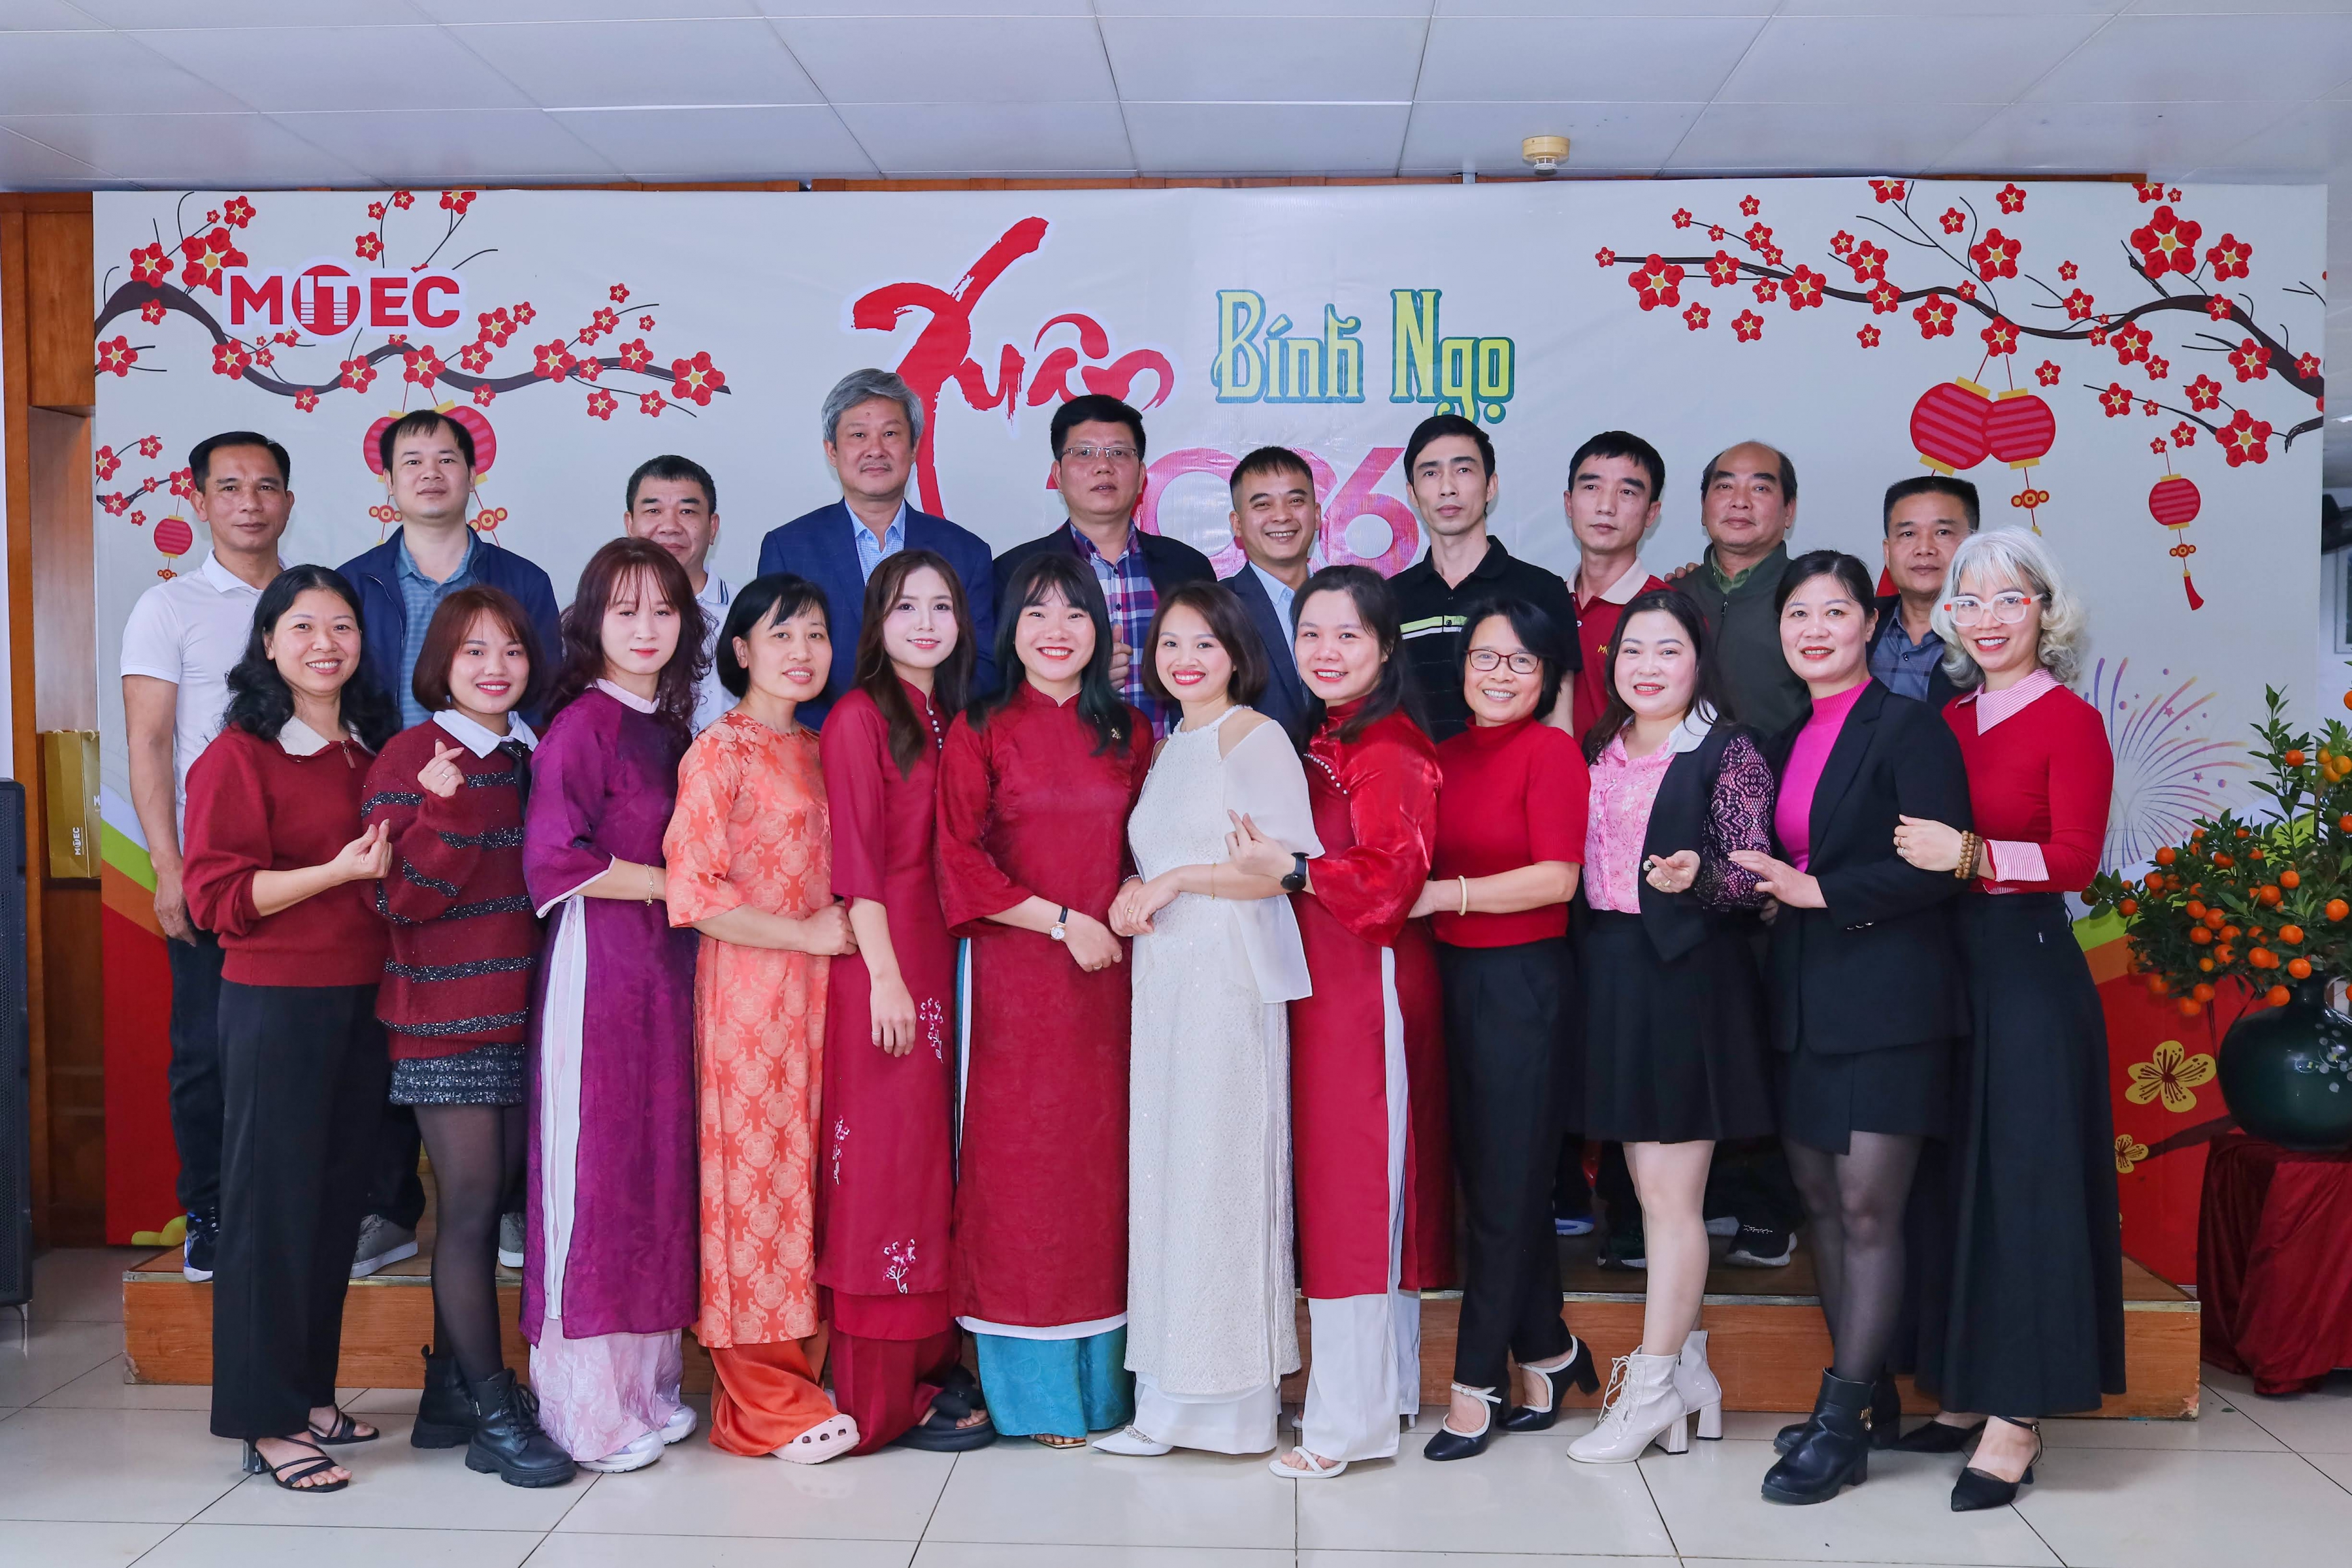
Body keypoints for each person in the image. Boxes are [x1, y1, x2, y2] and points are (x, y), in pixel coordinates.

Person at [1725, 551, 1972, 1507]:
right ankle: (1865, 1408)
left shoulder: (1909, 726)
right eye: (1799, 615)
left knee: (1870, 1211)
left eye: (1835, 612)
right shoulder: (1785, 737)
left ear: (1870, 625)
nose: (1815, 630)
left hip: (1889, 1002)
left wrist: (1818, 892)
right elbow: (1780, 865)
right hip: (1803, 998)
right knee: (1822, 1206)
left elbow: (1936, 868)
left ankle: (1838, 1424)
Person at [1889, 529, 2123, 1511]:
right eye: (1969, 601)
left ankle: (2017, 1416)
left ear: (2045, 612)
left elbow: (2076, 860)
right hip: (1944, 975)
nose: (1987, 620)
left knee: (2025, 1190)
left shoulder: (2071, 721)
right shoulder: (1944, 718)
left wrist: (1971, 855)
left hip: (2027, 973)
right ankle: (1962, 1388)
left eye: (2008, 600)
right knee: (1951, 1186)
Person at [1228, 565, 1453, 1480]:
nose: (1327, 651)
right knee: (1352, 1192)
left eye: (1349, 634)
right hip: (1333, 988)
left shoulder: (1389, 747)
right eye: (1312, 633)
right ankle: (1381, 1393)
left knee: (1355, 1196)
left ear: (1386, 648)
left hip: (1369, 987)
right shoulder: (1331, 733)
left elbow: (1391, 882)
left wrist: (1290, 870)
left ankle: (1346, 1424)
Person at [180, 564, 400, 1494]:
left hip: (363, 1001)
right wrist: (336, 872)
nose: (325, 644)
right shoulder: (239, 756)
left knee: (331, 1207)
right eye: (303, 626)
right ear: (268, 643)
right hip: (277, 1003)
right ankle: (265, 1421)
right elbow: (216, 898)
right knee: (270, 1213)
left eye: (342, 626)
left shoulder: (368, 750)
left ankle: (310, 1395)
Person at [1096, 583, 1320, 1459]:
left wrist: (1179, 880)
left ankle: (1229, 1407)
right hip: (1167, 981)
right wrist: (1137, 889)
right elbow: (1161, 854)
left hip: (1230, 977)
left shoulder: (1254, 735)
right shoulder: (1169, 745)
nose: (1186, 660)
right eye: (1171, 645)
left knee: (1222, 1175)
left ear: (1237, 654)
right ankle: (1163, 1400)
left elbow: (1283, 869)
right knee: (1168, 1174)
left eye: (1205, 645)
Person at [936, 553, 1152, 1446]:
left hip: (1115, 992)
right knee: (1020, 1174)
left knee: (1103, 1176)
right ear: (1009, 630)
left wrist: (1133, 895)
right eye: (1036, 614)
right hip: (1015, 983)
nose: (1056, 631)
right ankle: (1032, 1396)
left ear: (1101, 628)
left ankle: (1107, 1390)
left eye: (1074, 613)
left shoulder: (1132, 732)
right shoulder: (980, 727)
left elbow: (1150, 849)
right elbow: (959, 861)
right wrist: (1063, 922)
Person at [358, 587, 572, 1489]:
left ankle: (449, 1393)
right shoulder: (412, 757)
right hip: (443, 1023)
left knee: (494, 1206)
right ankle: (491, 1412)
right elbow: (397, 901)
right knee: (473, 1211)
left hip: (523, 1014)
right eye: (475, 651)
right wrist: (441, 815)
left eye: (513, 651)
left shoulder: (530, 751)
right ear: (440, 664)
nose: (496, 668)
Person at [341, 409, 562, 1281]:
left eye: (447, 458)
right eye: (412, 460)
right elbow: (401, 893)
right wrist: (430, 798)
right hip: (407, 827)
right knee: (456, 1182)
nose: (431, 472)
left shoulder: (522, 581)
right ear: (387, 481)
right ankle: (389, 1208)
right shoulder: (358, 583)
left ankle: (508, 1215)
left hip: (517, 937)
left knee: (501, 1162)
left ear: (475, 474)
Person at [1565, 589, 1778, 1463]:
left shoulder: (1728, 749)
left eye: (1668, 651)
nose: (1647, 667)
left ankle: (1651, 1389)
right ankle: (1690, 1373)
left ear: (1700, 661)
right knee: (1644, 1189)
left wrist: (1702, 876)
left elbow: (1756, 874)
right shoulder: (1600, 747)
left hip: (1688, 981)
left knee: (1669, 1196)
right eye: (1632, 651)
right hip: (1614, 972)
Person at [664, 574, 864, 1463]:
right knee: (753, 1187)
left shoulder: (820, 748)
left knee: (813, 1182)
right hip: (751, 993)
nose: (801, 652)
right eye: (781, 635)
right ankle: (761, 1403)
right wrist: (805, 934)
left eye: (815, 633)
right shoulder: (720, 752)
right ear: (740, 650)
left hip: (826, 997)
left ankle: (807, 1379)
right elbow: (694, 893)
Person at [521, 537, 708, 1474]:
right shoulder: (582, 727)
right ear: (592, 622)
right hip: (598, 970)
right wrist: (677, 883)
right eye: (626, 610)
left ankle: (646, 1389)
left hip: (666, 972)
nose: (646, 628)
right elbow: (555, 858)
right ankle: (584, 1409)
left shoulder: (669, 732)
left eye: (664, 611)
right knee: (595, 1172)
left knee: (655, 1166)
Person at [1406, 596, 1599, 1462]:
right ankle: (1551, 1351)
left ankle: (1477, 1382)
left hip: (1524, 986)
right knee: (1493, 1185)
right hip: (1450, 980)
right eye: (1486, 657)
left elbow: (1558, 879)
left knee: (1509, 1189)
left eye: (1522, 661)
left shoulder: (1551, 753)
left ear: (1548, 675)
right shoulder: (1442, 756)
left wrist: (1447, 896)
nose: (1500, 674)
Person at [817, 549, 994, 1454]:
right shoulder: (858, 716)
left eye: (942, 606)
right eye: (905, 607)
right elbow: (857, 861)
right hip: (886, 966)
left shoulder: (946, 714)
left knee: (929, 1165)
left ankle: (929, 1373)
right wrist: (884, 974)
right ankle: (879, 1398)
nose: (926, 623)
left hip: (943, 961)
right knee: (884, 1168)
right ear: (876, 623)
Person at [120, 430, 291, 1282]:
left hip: (313, 870)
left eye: (264, 486)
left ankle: (295, 1207)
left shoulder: (314, 598)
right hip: (214, 871)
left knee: (302, 1049)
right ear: (198, 500)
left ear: (288, 500)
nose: (248, 503)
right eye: (229, 487)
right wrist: (167, 864)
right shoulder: (168, 607)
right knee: (207, 1051)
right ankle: (211, 1211)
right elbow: (150, 742)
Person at [757, 368, 999, 726]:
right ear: (832, 450)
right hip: (820, 743)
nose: (876, 450)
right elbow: (774, 662)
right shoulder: (789, 548)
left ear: (914, 448)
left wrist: (926, 728)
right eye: (858, 435)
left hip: (935, 743)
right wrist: (842, 736)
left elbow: (983, 666)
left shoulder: (966, 552)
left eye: (890, 434)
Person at [994, 394, 1217, 737]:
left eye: (1119, 453)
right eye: (1084, 452)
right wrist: (1079, 676)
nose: (1103, 466)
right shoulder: (1015, 572)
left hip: (1175, 759)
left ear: (1141, 476)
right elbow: (997, 682)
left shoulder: (1188, 567)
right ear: (1058, 475)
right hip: (1057, 756)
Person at [1388, 414, 1579, 743]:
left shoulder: (1542, 590)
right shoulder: (1388, 599)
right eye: (1431, 473)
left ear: (1491, 486)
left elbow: (1558, 722)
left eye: (1463, 470)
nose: (1448, 488)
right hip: (1410, 775)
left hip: (1512, 775)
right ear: (1412, 494)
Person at [1669, 442, 1808, 740]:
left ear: (1789, 511)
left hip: (1784, 767)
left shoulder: (1813, 598)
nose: (1740, 502)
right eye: (1725, 486)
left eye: (1760, 488)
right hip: (1677, 769)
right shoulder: (1671, 599)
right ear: (1704, 507)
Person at [1564, 432, 1670, 738]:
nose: (1606, 506)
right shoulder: (1542, 600)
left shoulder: (1669, 614)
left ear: (1651, 513)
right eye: (1592, 487)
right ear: (1569, 503)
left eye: (1626, 492)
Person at [623, 453, 736, 733]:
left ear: (713, 528)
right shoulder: (602, 615)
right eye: (653, 511)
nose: (670, 526)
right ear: (630, 525)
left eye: (687, 512)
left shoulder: (748, 615)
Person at [1220, 446, 1317, 734]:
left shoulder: (1349, 602)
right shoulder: (1217, 610)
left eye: (1296, 501)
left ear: (1317, 514)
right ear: (1237, 524)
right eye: (1263, 505)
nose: (1282, 516)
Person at [1869, 476, 1978, 709]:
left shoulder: (1993, 633)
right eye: (1908, 534)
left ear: (1974, 545)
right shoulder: (1859, 624)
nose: (1924, 549)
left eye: (1943, 532)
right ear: (1888, 553)